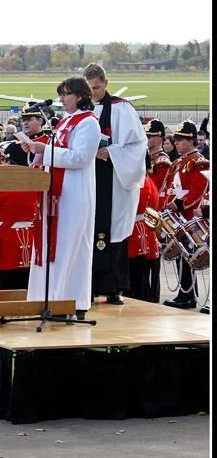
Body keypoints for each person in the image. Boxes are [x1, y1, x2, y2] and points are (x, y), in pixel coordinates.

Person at [22, 76, 101, 320]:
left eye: (65, 94)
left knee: (70, 245)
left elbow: (81, 158)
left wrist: (45, 151)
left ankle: (69, 300)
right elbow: (55, 152)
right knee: (52, 245)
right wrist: (35, 151)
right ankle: (47, 298)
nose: (61, 99)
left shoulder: (88, 123)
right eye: (60, 94)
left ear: (79, 95)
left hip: (74, 193)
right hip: (55, 191)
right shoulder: (65, 121)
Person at [83, 63, 148, 306]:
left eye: (97, 88)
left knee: (114, 232)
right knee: (88, 230)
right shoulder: (83, 109)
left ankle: (114, 287)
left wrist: (110, 152)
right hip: (89, 179)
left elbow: (137, 145)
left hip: (114, 179)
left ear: (106, 83)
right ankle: (87, 286)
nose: (94, 93)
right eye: (89, 89)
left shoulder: (122, 108)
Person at [159, 120, 210, 309]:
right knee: (182, 256)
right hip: (176, 215)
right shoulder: (179, 162)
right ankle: (184, 293)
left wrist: (179, 205)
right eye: (177, 139)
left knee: (190, 257)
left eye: (181, 139)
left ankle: (188, 296)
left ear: (191, 141)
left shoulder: (199, 162)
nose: (177, 142)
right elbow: (171, 188)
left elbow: (198, 189)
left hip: (187, 215)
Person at [0, 142, 38, 290]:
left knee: (2, 289)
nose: (2, 163)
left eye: (5, 160)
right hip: (29, 241)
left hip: (5, 244)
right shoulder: (35, 185)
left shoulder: (1, 187)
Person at [125, 166, 161, 303]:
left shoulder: (142, 182)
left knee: (137, 277)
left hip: (136, 231)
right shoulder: (147, 180)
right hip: (143, 230)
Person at [144, 119, 171, 202]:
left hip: (153, 203)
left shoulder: (162, 162)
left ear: (158, 138)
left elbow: (154, 188)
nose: (145, 139)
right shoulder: (146, 156)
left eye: (148, 136)